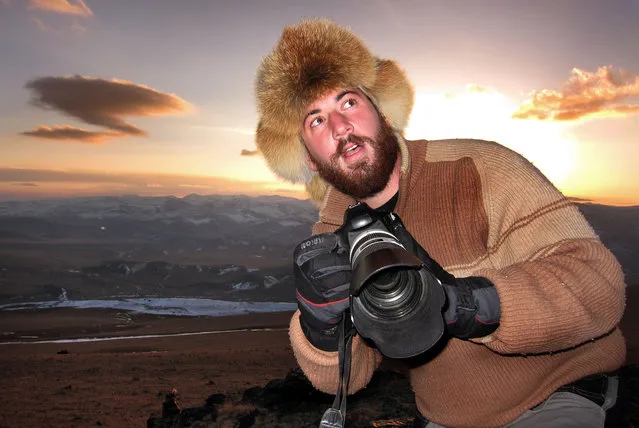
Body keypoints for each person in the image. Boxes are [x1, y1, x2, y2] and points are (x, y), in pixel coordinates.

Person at [254, 18, 626, 428]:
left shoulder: (479, 167)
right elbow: (346, 377)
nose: (341, 128)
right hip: (445, 418)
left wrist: (468, 304)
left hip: (554, 397)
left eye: (348, 103)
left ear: (380, 112)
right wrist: (321, 324)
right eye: (317, 120)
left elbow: (599, 284)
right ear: (309, 158)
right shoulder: (332, 233)